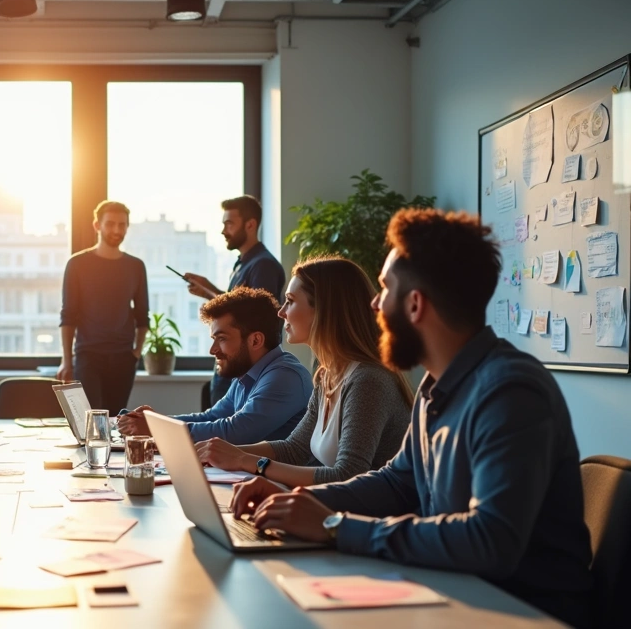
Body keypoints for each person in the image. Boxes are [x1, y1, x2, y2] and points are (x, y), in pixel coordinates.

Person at [231, 210, 593, 627]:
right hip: (454, 592)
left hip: (521, 613)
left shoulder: (509, 392)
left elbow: (490, 541)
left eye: (385, 289)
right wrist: (299, 501)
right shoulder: (436, 387)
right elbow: (397, 482)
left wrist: (333, 526)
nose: (374, 304)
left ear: (415, 304)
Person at [194, 257, 412, 486]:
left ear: (324, 311)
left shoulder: (367, 381)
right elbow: (295, 449)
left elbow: (347, 475)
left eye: (290, 301)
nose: (281, 312)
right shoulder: (327, 376)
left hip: (373, 509)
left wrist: (243, 460)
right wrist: (222, 453)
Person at [117, 288, 312, 444]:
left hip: (277, 481)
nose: (212, 350)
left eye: (222, 338)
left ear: (255, 340)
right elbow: (213, 417)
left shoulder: (285, 376)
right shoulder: (248, 374)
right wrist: (157, 421)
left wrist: (157, 428)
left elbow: (235, 431)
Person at [184, 195, 287, 406]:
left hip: (244, 368)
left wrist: (210, 293)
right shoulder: (243, 264)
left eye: (229, 224)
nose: (224, 231)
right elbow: (238, 307)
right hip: (233, 365)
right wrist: (209, 290)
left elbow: (255, 317)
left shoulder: (263, 265)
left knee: (228, 424)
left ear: (250, 225)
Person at [56, 200, 149, 415]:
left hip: (123, 358)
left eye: (122, 224)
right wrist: (67, 361)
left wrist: (136, 353)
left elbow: (142, 314)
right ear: (97, 226)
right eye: (110, 224)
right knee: (91, 420)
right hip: (88, 356)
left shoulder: (136, 266)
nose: (117, 230)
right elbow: (68, 315)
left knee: (116, 420)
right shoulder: (77, 264)